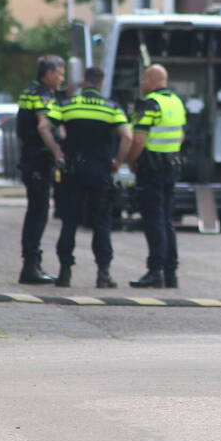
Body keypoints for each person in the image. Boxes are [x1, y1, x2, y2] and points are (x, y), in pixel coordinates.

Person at [39, 67, 131, 288]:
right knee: (101, 223)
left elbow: (43, 126)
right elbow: (127, 136)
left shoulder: (67, 104)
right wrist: (117, 161)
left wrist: (56, 152)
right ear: (101, 84)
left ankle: (64, 273)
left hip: (73, 170)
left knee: (69, 222)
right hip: (100, 171)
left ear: (83, 82)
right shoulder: (112, 108)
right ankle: (103, 274)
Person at [127, 64, 186, 289]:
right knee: (167, 220)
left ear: (151, 80)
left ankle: (154, 272)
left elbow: (139, 140)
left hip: (151, 168)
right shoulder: (176, 102)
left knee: (153, 220)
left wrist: (131, 161)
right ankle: (171, 273)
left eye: (143, 79)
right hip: (171, 166)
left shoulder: (149, 104)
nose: (142, 83)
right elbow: (180, 137)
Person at [15, 55, 65, 284]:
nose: (62, 78)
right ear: (48, 74)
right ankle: (30, 267)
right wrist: (57, 152)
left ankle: (32, 263)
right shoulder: (43, 95)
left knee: (36, 211)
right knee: (38, 212)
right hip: (38, 160)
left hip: (30, 158)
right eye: (60, 73)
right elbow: (44, 127)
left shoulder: (31, 91)